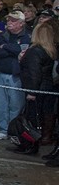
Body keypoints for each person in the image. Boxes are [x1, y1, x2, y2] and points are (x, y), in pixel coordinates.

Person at [0, 10, 31, 140]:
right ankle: (3, 130)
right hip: (0, 74)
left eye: (13, 21)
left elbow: (23, 51)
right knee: (2, 104)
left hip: (16, 75)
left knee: (15, 105)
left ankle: (14, 131)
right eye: (8, 20)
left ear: (21, 23)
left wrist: (5, 47)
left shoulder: (26, 36)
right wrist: (12, 50)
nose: (9, 23)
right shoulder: (2, 36)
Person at [15, 21, 57, 154]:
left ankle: (30, 145)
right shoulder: (49, 51)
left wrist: (31, 92)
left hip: (37, 89)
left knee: (31, 119)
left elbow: (34, 73)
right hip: (46, 88)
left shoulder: (35, 51)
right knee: (39, 118)